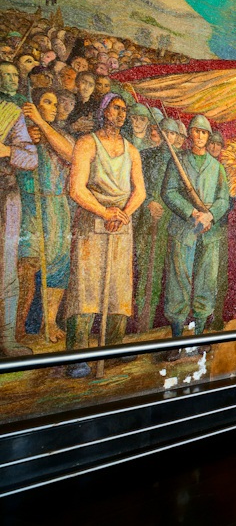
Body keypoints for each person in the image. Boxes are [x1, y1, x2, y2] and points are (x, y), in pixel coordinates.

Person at [64, 94, 145, 377]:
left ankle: (113, 346)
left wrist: (123, 214)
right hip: (91, 220)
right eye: (116, 108)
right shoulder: (87, 143)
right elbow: (76, 188)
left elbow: (140, 191)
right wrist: (103, 211)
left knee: (118, 287)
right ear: (103, 111)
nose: (121, 114)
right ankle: (77, 355)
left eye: (124, 110)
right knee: (86, 286)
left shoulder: (131, 150)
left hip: (121, 223)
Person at [161, 114, 230, 348]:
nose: (200, 136)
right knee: (178, 282)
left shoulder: (217, 167)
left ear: (208, 136)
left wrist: (210, 215)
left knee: (206, 282)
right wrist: (192, 212)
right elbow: (169, 193)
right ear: (190, 134)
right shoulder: (177, 161)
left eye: (204, 132)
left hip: (210, 232)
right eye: (196, 131)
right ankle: (176, 341)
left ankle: (200, 336)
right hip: (184, 230)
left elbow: (223, 199)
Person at [17, 90, 73, 344]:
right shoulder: (24, 132)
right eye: (46, 103)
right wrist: (29, 134)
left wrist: (40, 123)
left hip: (57, 205)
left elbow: (70, 154)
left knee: (58, 264)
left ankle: (49, 321)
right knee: (28, 263)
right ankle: (19, 327)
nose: (53, 107)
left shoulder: (60, 135)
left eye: (54, 103)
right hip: (30, 202)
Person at [131, 117, 184, 333]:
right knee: (147, 273)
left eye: (172, 133)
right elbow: (135, 183)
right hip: (149, 220)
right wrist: (148, 202)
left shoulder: (182, 160)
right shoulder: (146, 156)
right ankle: (142, 327)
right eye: (165, 132)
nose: (168, 137)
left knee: (173, 275)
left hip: (174, 222)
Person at [0, 100, 37, 357]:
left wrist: (5, 150)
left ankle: (6, 338)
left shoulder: (9, 113)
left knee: (6, 267)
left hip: (5, 196)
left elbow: (30, 158)